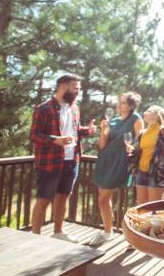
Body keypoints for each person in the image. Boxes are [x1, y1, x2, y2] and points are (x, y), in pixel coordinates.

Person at [30, 74, 97, 242]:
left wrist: (87, 130)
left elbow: (73, 130)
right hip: (50, 162)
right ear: (63, 87)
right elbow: (34, 135)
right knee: (44, 199)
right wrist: (54, 140)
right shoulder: (44, 108)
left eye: (79, 89)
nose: (78, 92)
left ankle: (58, 232)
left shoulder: (74, 108)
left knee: (63, 197)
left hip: (72, 161)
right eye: (76, 88)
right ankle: (34, 238)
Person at [89, 92, 144, 246]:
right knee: (103, 199)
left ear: (131, 105)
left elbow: (141, 140)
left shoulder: (136, 118)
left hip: (120, 160)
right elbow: (102, 145)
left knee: (103, 198)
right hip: (105, 159)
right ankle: (108, 230)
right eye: (119, 102)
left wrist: (132, 148)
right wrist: (103, 130)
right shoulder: (112, 121)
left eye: (123, 102)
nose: (119, 105)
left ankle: (110, 232)